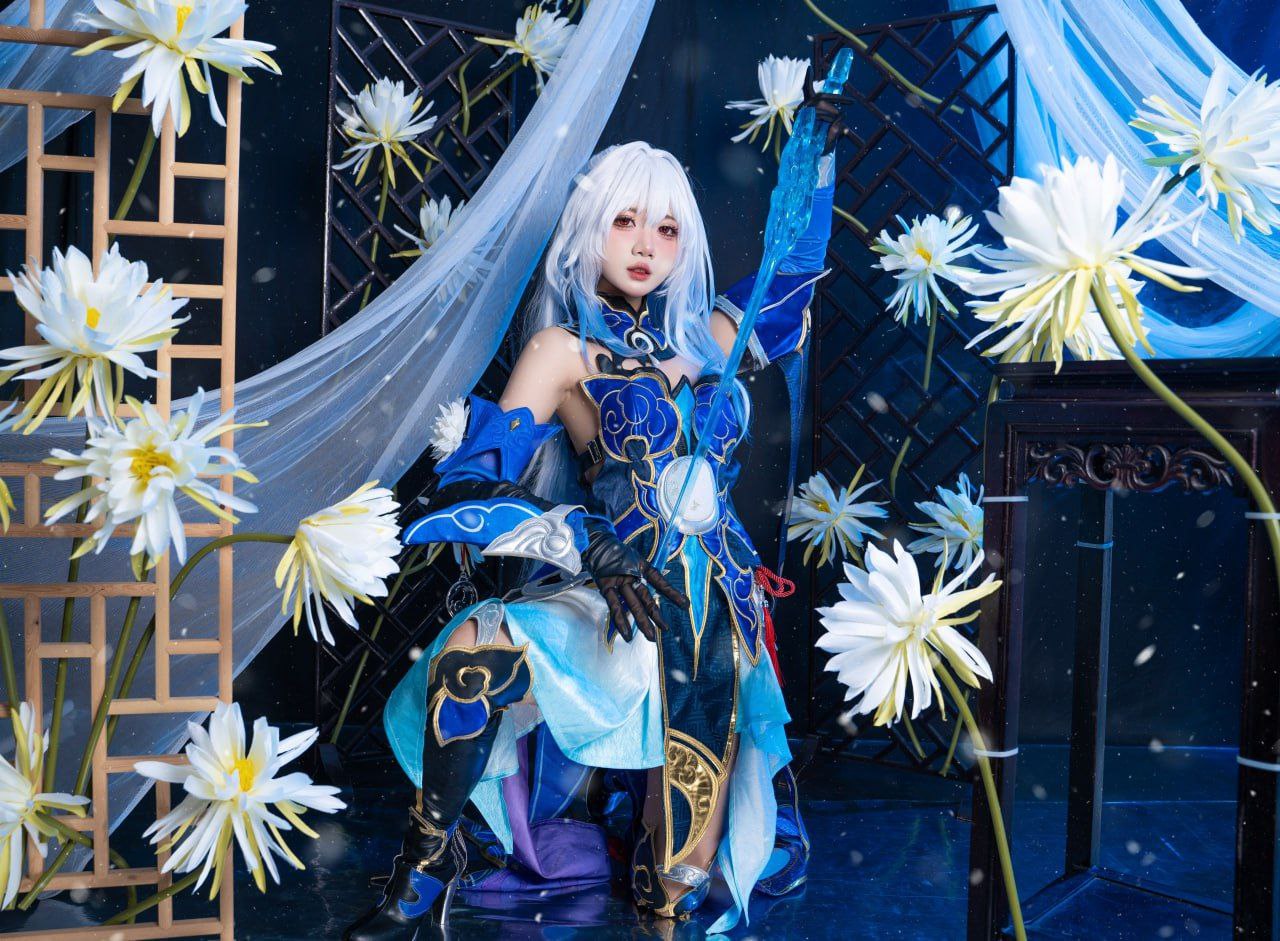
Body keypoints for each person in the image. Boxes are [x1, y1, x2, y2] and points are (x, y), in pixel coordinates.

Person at [344, 124, 837, 940]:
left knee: (671, 889)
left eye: (666, 228)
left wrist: (819, 160)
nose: (646, 245)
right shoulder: (561, 352)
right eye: (625, 221)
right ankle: (422, 870)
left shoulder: (716, 336)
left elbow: (795, 269)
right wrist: (582, 536)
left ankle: (657, 874)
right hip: (617, 603)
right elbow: (466, 486)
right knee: (471, 655)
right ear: (590, 227)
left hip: (716, 621)